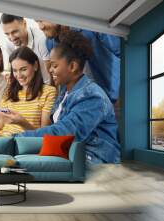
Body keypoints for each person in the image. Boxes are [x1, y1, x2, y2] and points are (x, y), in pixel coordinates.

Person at [14, 30, 121, 164]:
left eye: (54, 65)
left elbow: (64, 132)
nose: (50, 70)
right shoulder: (65, 93)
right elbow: (55, 132)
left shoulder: (92, 96)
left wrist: (19, 137)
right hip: (72, 152)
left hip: (94, 158)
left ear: (72, 66)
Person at [36, 20, 121, 103]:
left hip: (109, 96)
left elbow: (120, 49)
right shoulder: (50, 42)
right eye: (37, 21)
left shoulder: (91, 25)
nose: (40, 26)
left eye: (42, 20)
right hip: (76, 101)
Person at [0, 47, 56, 137]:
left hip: (24, 142)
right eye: (15, 71)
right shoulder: (9, 92)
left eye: (23, 69)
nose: (19, 75)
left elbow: (43, 136)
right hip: (3, 141)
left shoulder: (48, 92)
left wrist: (22, 123)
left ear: (35, 66)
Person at [1, 14, 50, 84]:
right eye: (7, 34)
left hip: (46, 85)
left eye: (14, 32)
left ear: (24, 24)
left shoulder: (41, 39)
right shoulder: (9, 44)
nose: (11, 38)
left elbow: (49, 73)